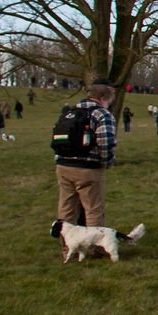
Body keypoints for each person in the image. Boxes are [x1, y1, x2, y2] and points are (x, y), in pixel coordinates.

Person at [54, 80, 118, 227]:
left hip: (63, 165)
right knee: (93, 210)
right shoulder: (102, 114)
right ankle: (94, 247)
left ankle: (67, 247)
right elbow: (106, 143)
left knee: (66, 209)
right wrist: (106, 162)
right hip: (88, 168)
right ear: (103, 98)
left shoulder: (69, 112)